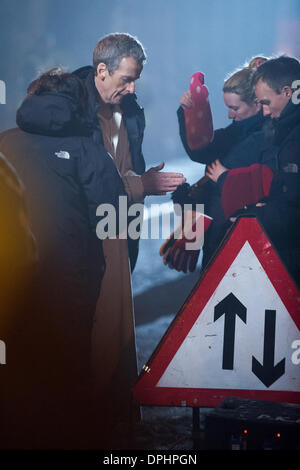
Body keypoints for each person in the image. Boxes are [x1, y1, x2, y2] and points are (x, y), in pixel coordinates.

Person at [0, 69, 125, 448]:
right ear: (78, 103)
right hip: (70, 283)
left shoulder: (4, 143)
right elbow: (113, 217)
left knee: (14, 369)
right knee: (66, 373)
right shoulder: (87, 148)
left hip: (10, 279)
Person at [73, 33, 186, 448]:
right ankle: (91, 417)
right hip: (87, 237)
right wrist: (144, 185)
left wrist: (140, 180)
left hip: (118, 229)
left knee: (118, 324)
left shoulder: (126, 110)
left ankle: (113, 411)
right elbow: (91, 184)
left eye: (136, 79)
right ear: (101, 71)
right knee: (95, 328)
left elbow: (123, 168)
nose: (133, 88)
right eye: (127, 78)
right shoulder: (75, 116)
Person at [161, 57, 277, 271]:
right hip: (220, 238)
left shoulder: (270, 140)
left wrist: (224, 178)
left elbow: (266, 189)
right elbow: (202, 151)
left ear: (257, 103)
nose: (229, 114)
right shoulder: (235, 132)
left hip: (246, 244)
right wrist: (189, 114)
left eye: (235, 108)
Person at [237, 55, 300, 285]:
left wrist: (255, 217)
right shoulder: (286, 132)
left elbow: (294, 210)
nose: (263, 111)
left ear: (287, 92)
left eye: (265, 103)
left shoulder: (295, 138)